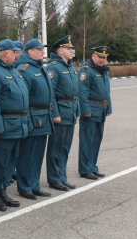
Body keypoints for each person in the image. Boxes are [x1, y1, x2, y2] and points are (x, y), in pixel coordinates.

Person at [0, 39, 29, 212]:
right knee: (0, 161)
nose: (17, 55)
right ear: (6, 53)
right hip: (4, 125)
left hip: (17, 124)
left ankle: (3, 191)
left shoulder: (13, 70)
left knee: (10, 161)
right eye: (14, 52)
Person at [15, 39, 54, 200]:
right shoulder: (24, 69)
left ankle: (34, 185)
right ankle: (25, 187)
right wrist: (28, 119)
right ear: (30, 51)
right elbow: (23, 98)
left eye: (42, 49)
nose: (42, 52)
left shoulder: (39, 67)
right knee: (27, 154)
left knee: (37, 155)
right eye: (39, 49)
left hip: (43, 117)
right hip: (33, 117)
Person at [45, 35, 80, 191]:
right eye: (68, 48)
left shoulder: (70, 67)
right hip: (60, 112)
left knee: (65, 148)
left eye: (72, 48)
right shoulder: (53, 67)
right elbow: (50, 93)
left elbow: (75, 92)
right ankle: (54, 179)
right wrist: (55, 113)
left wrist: (78, 110)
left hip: (70, 112)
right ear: (60, 51)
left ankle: (62, 177)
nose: (72, 51)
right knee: (56, 148)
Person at [78, 45, 112, 180]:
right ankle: (84, 169)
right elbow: (82, 92)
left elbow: (106, 91)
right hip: (91, 111)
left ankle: (92, 166)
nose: (102, 59)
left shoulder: (104, 71)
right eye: (99, 57)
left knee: (96, 140)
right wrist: (85, 110)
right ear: (93, 56)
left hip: (101, 110)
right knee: (87, 141)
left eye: (104, 57)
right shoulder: (87, 70)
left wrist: (109, 107)